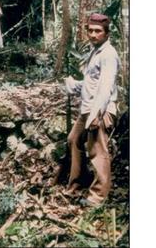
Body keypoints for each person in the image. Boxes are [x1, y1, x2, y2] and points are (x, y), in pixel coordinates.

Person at [64, 13, 120, 207]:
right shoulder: (93, 52)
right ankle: (77, 184)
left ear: (106, 33)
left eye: (98, 31)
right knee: (74, 140)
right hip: (87, 108)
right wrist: (75, 85)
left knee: (98, 151)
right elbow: (92, 83)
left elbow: (105, 88)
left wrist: (97, 114)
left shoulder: (108, 54)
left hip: (100, 110)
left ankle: (98, 196)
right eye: (90, 30)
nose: (93, 34)